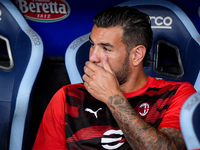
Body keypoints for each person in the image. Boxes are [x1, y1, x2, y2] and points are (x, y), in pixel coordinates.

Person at [33, 6, 196, 150]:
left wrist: (113, 97)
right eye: (92, 45)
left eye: (106, 48)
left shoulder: (176, 94)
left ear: (137, 55)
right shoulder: (67, 97)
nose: (93, 57)